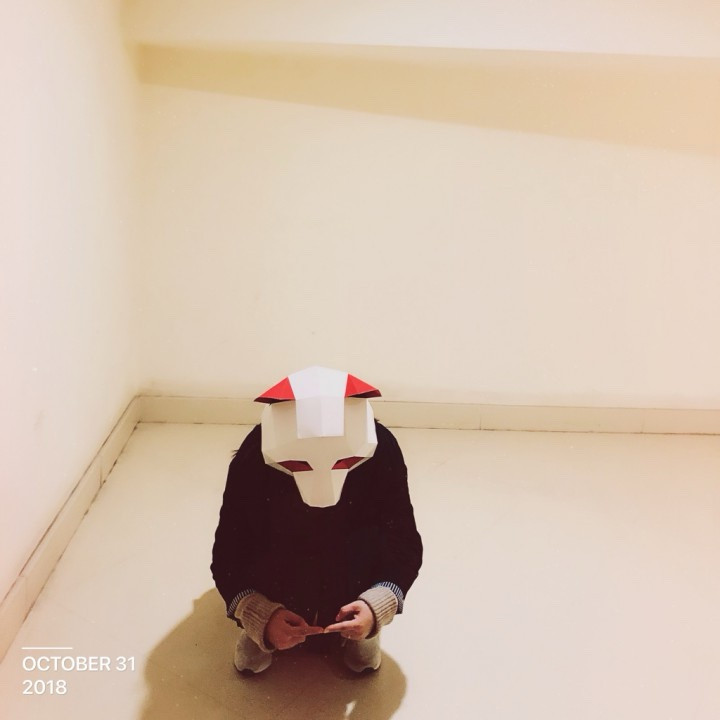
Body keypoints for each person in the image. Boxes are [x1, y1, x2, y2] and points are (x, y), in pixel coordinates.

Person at [211, 366, 423, 674]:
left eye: (344, 462)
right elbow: (229, 550)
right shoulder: (254, 459)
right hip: (279, 573)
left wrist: (377, 604)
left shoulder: (381, 451)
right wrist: (257, 613)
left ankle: (360, 626)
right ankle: (259, 631)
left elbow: (403, 541)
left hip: (351, 573)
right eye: (298, 464)